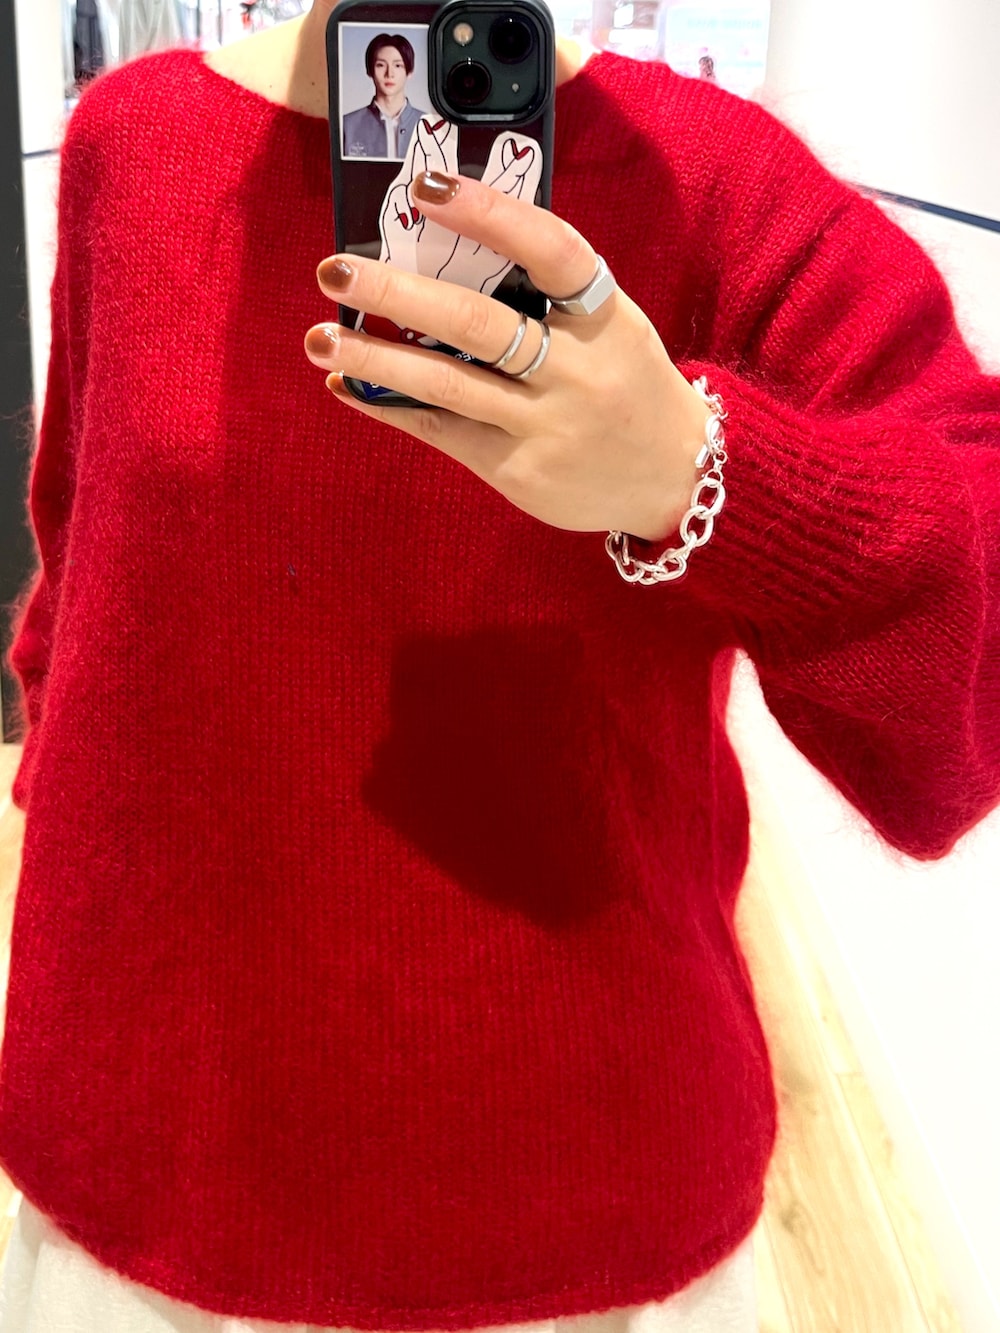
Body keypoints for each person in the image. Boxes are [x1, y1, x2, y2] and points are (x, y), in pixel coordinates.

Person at [1, 1, 998, 1330]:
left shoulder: (714, 183)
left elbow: (971, 636)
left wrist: (702, 477)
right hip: (158, 1133)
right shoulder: (131, 146)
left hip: (579, 1180)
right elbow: (84, 565)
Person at [343, 31, 426, 158]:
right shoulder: (347, 125)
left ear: (409, 72)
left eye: (398, 65)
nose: (389, 74)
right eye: (380, 65)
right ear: (370, 71)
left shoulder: (429, 126)